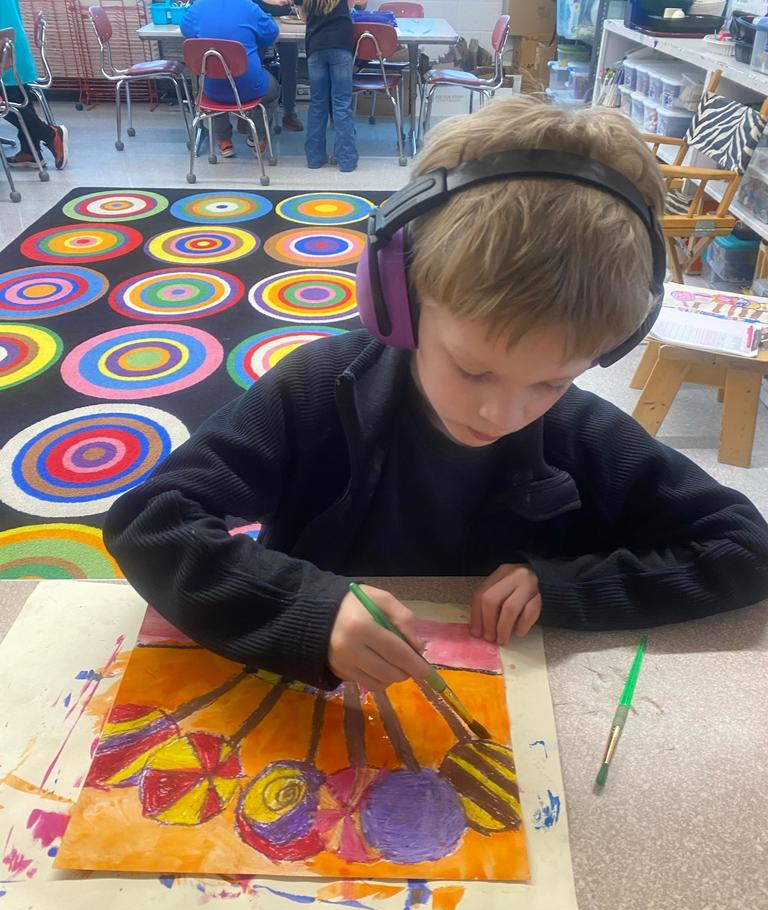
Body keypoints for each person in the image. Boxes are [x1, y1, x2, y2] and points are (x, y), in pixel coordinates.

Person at [103, 97, 768, 695]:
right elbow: (149, 519)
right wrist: (304, 609)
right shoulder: (313, 391)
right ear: (398, 298)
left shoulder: (582, 434)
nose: (503, 414)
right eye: (473, 370)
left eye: (551, 381)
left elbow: (744, 547)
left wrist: (568, 588)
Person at [180, 0, 280, 158]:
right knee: (273, 90)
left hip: (212, 89)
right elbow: (273, 35)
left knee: (213, 82)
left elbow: (186, 31)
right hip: (249, 86)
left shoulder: (198, 7)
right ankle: (257, 137)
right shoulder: (250, 8)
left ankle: (224, 140)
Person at [295, 0, 366, 171]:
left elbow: (303, 17)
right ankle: (346, 161)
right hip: (341, 45)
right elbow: (359, 4)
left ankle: (314, 158)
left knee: (317, 104)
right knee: (342, 104)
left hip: (316, 46)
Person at [0, 0, 67, 169]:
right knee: (19, 102)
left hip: (5, 58)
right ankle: (30, 150)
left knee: (8, 105)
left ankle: (50, 134)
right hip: (14, 52)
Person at [255, 0, 303, 132]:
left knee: (290, 69)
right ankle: (250, 113)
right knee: (253, 67)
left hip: (287, 20)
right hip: (260, 18)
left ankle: (289, 113)